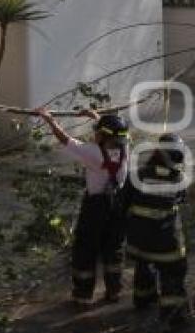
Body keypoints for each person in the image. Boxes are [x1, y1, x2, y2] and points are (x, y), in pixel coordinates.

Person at [37, 107, 129, 307]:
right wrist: (95, 117)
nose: (94, 133)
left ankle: (83, 296)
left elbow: (66, 141)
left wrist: (50, 121)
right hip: (117, 208)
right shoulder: (124, 148)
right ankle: (114, 292)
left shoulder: (93, 153)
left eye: (97, 131)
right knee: (113, 249)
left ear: (102, 136)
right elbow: (111, 131)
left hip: (96, 207)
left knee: (86, 249)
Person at [124, 133, 189, 332]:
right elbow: (180, 199)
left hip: (140, 239)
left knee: (144, 265)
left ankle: (143, 300)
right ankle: (172, 315)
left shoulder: (138, 175)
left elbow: (124, 201)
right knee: (173, 273)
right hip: (167, 240)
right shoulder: (180, 179)